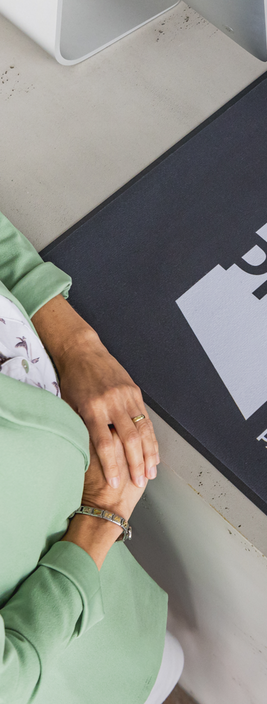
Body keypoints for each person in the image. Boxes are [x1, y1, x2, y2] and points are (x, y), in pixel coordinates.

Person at [0, 210, 182, 704]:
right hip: (64, 637)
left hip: (105, 580)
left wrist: (77, 346)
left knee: (164, 657)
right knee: (155, 674)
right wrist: (99, 521)